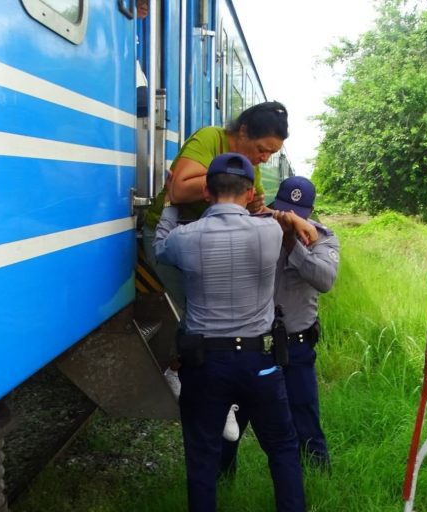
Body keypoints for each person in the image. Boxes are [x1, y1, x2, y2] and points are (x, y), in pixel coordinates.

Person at [154, 153, 308, 512]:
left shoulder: (184, 238)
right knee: (282, 448)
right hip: (260, 362)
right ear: (251, 191)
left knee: (202, 456)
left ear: (206, 191)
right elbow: (278, 219)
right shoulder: (269, 231)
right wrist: (278, 212)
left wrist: (171, 203)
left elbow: (160, 246)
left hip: (204, 365)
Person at [220, 176, 340, 474]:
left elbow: (324, 280)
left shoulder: (323, 238)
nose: (290, 218)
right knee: (232, 420)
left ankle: (317, 478)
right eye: (284, 210)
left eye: (298, 214)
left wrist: (293, 246)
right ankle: (220, 483)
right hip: (251, 346)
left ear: (310, 212)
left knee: (305, 419)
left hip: (297, 349)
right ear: (274, 204)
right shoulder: (254, 228)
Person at [142, 102, 311, 313]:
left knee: (210, 308)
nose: (264, 159)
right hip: (168, 233)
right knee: (197, 309)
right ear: (243, 131)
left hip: (206, 241)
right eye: (261, 149)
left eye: (271, 153)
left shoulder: (252, 166)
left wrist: (254, 207)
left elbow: (250, 206)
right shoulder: (210, 139)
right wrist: (233, 185)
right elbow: (179, 190)